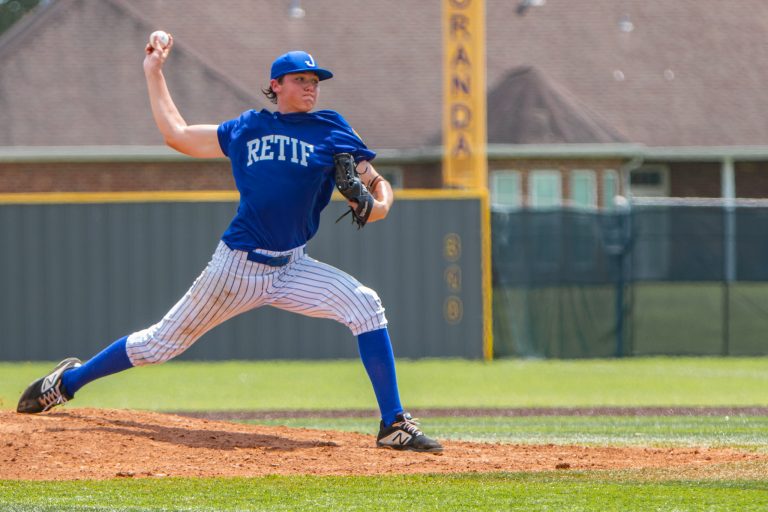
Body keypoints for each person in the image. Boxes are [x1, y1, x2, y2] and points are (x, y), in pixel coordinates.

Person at [16, 36, 443, 453]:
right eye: (300, 78)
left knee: (366, 305)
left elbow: (375, 184)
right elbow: (178, 134)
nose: (311, 85)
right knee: (157, 345)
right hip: (238, 268)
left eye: (315, 79)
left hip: (293, 266)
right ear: (276, 85)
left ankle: (393, 424)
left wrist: (378, 204)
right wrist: (153, 71)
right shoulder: (248, 128)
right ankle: (67, 383)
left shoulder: (332, 129)